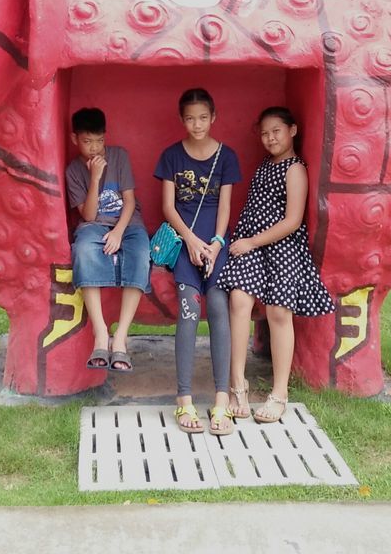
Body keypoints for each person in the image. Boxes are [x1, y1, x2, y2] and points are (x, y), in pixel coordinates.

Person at [219, 106, 334, 423]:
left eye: (276, 131)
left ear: (292, 130)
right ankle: (237, 385)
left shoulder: (294, 169)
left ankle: (279, 393)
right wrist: (248, 241)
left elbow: (293, 221)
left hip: (282, 245)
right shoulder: (264, 166)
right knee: (239, 299)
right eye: (265, 133)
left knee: (278, 311)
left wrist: (253, 242)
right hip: (252, 243)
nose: (270, 138)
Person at [155, 87, 241, 435]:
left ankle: (221, 402)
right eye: (190, 118)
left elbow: (224, 205)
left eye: (203, 118)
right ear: (182, 120)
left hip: (216, 244)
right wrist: (190, 241)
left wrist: (217, 243)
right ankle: (184, 399)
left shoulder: (227, 156)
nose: (197, 124)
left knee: (219, 305)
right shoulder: (171, 156)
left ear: (213, 117)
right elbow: (167, 206)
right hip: (184, 240)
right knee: (189, 307)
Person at [65, 107, 151, 373]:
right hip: (93, 226)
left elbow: (129, 202)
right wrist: (95, 178)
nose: (94, 148)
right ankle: (101, 334)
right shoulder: (73, 171)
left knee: (140, 254)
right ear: (74, 139)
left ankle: (121, 338)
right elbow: (89, 215)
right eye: (87, 141)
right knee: (83, 251)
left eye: (99, 141)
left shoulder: (119, 156)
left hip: (128, 223)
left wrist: (117, 232)